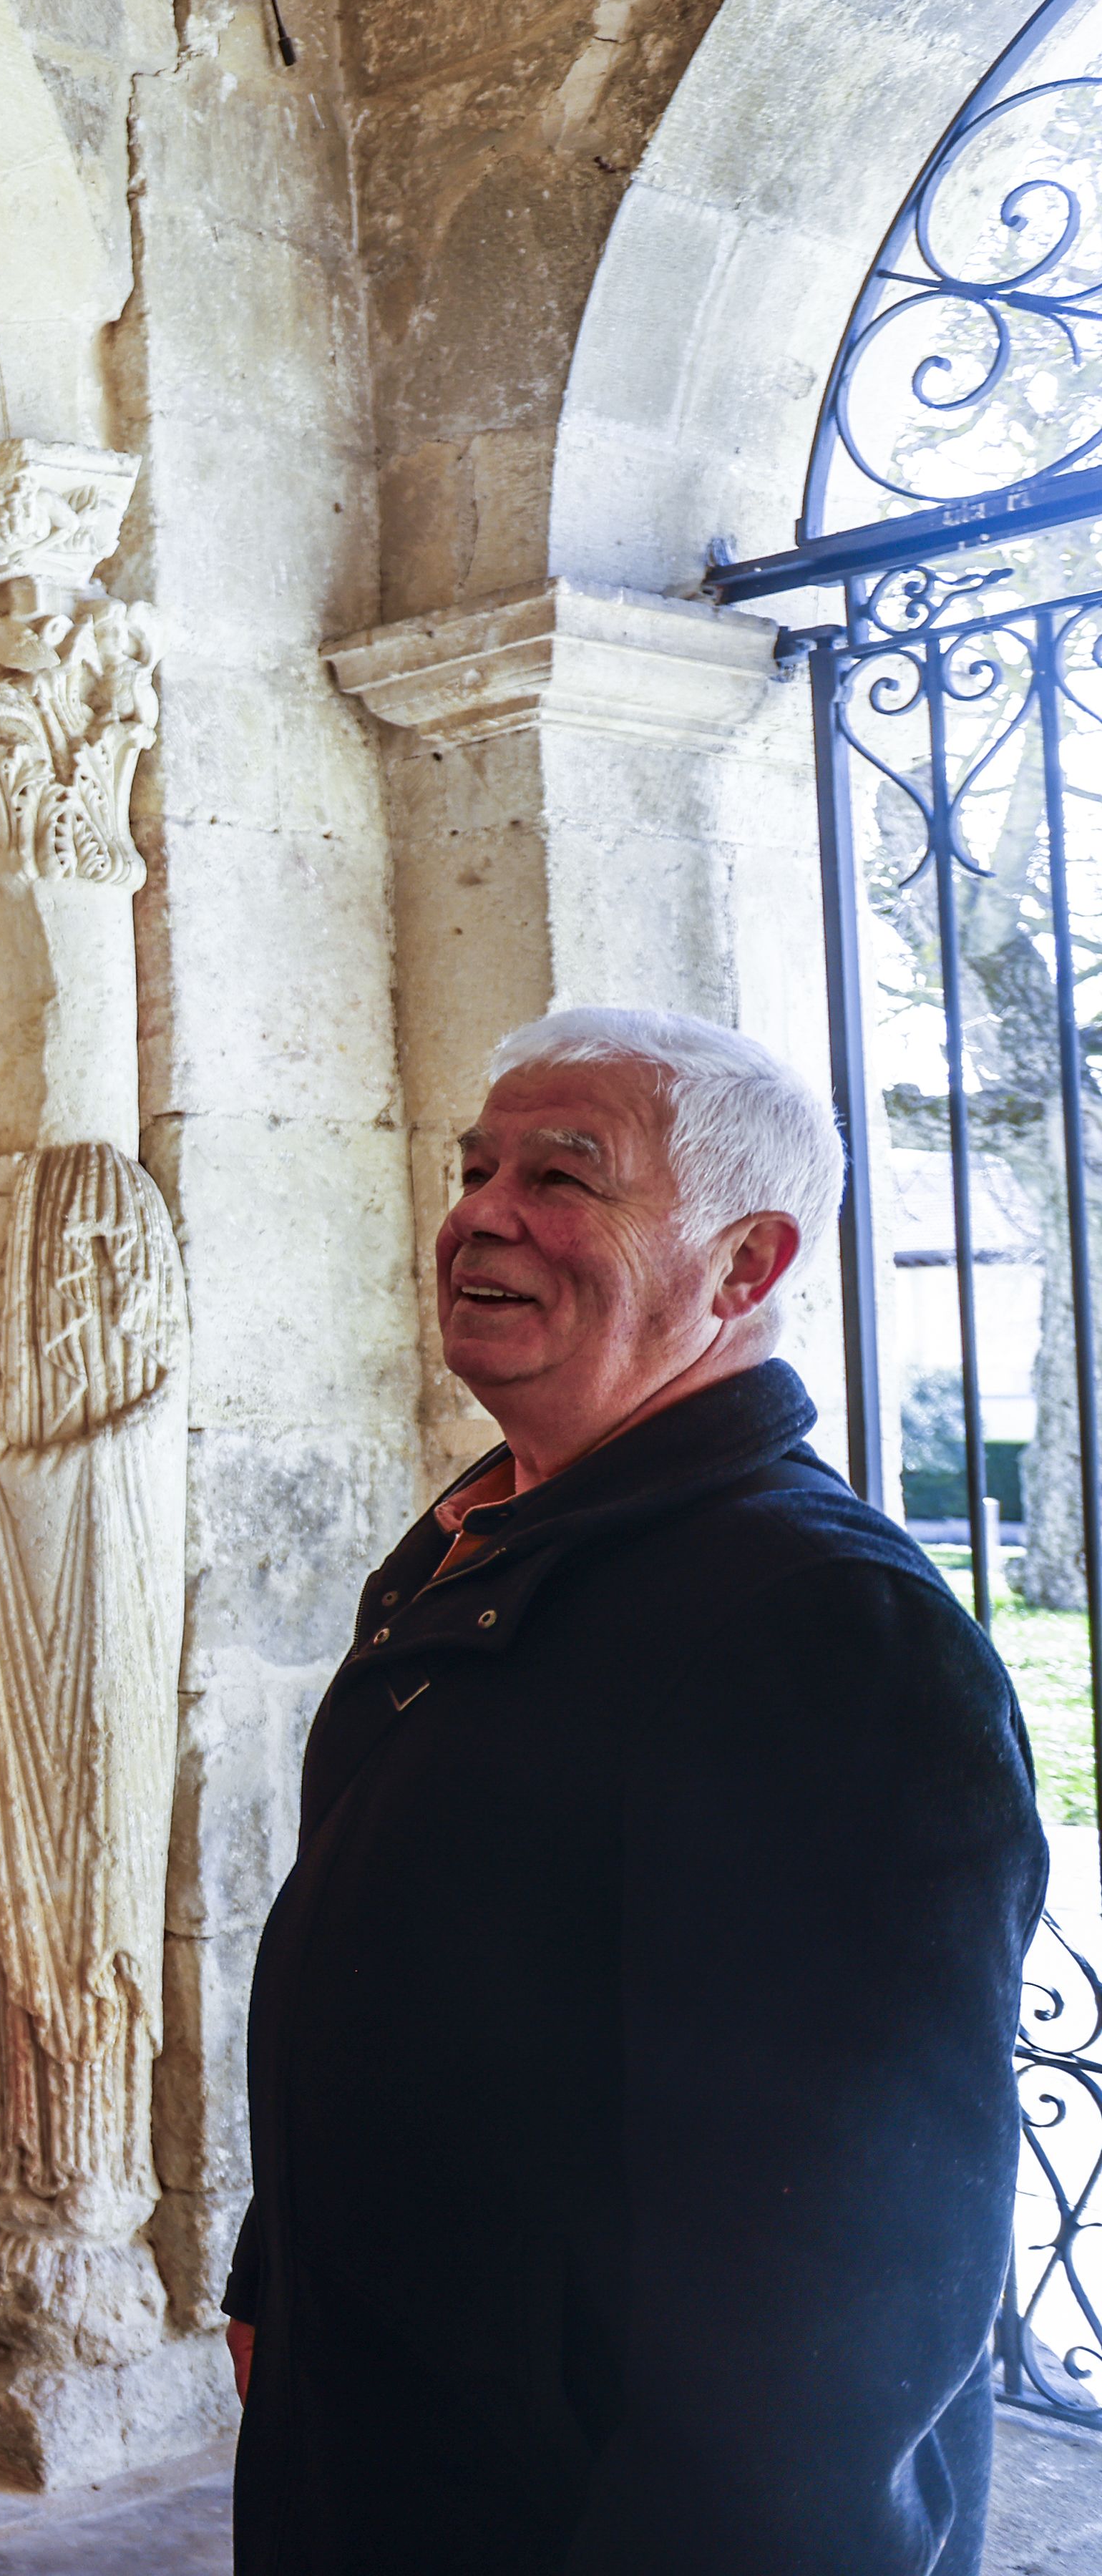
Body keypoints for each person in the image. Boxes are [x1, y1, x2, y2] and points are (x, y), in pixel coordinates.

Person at [226, 1008, 1045, 2575]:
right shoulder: (480, 1546)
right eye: (478, 1166)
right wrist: (288, 2275)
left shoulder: (819, 1630)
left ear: (744, 1268)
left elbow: (840, 2298)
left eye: (565, 1175)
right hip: (400, 2450)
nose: (481, 1210)